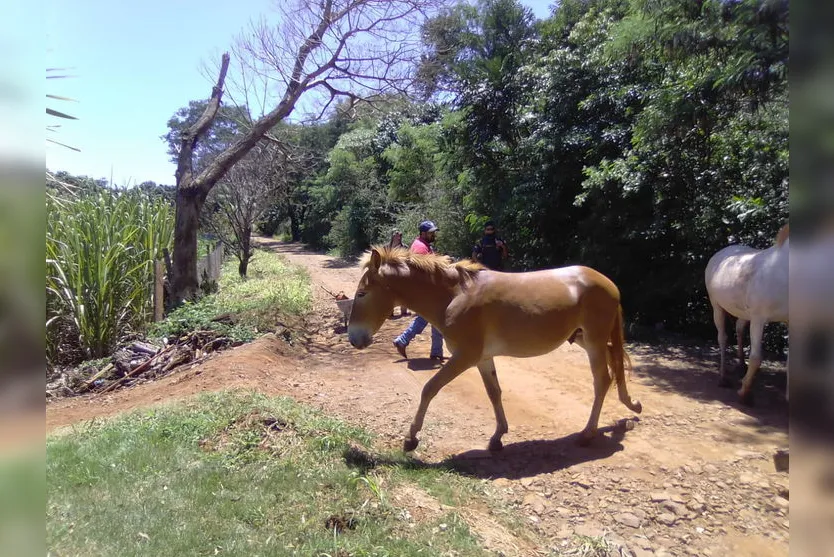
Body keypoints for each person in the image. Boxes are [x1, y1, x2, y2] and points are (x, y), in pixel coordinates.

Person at [392, 220, 445, 361]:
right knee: (432, 317)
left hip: (426, 289)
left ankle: (436, 351)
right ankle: (404, 340)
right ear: (423, 233)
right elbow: (425, 271)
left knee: (432, 318)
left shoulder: (423, 245)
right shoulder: (420, 248)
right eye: (431, 233)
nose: (433, 234)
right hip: (426, 289)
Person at [387, 230, 410, 318]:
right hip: (390, 273)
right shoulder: (386, 248)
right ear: (392, 236)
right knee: (390, 294)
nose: (398, 236)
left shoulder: (405, 247)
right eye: (396, 234)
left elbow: (408, 259)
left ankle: (403, 312)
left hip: (402, 272)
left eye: (399, 235)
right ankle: (390, 312)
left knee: (403, 292)